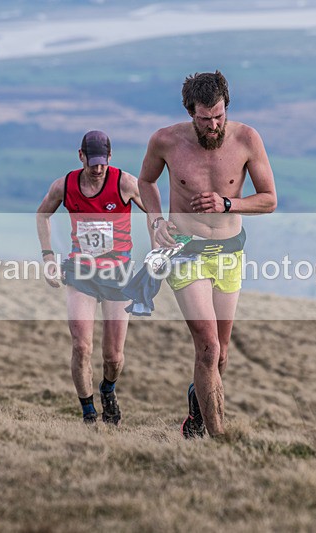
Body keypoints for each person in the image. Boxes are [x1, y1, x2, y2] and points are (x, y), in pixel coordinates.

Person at [137, 71, 277, 439]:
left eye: (219, 116)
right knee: (208, 346)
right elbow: (146, 182)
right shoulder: (165, 141)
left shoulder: (247, 139)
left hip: (229, 250)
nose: (213, 125)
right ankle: (218, 440)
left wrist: (228, 203)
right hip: (185, 248)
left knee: (221, 355)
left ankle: (196, 414)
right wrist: (154, 222)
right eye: (205, 119)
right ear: (190, 113)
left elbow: (269, 200)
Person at [36, 130, 146, 426]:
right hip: (81, 273)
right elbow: (42, 214)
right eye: (92, 162)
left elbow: (155, 214)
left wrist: (160, 244)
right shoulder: (65, 185)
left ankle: (108, 388)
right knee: (81, 346)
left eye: (103, 163)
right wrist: (48, 256)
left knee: (113, 356)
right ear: (81, 156)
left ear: (110, 158)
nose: (97, 169)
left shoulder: (125, 183)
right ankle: (87, 412)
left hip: (118, 275)